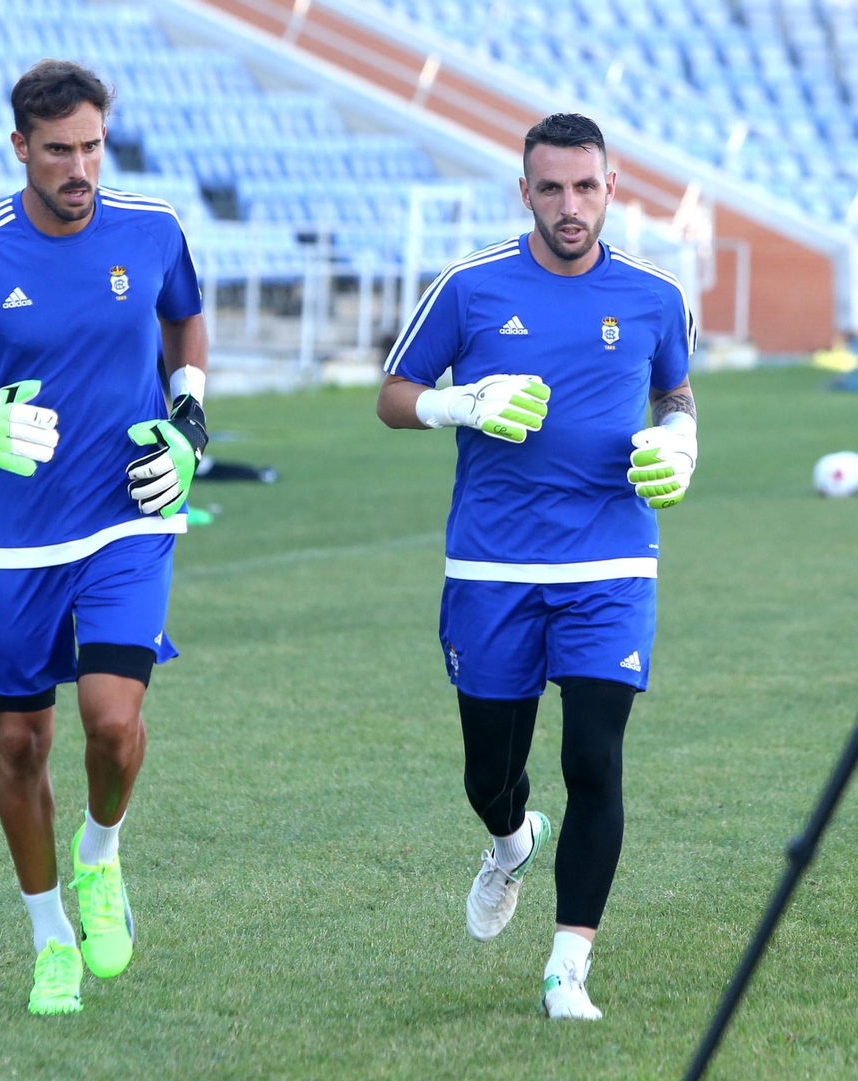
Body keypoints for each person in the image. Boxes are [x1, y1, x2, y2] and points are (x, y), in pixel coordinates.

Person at [0, 59, 208, 1016]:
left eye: (92, 147)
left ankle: (101, 858)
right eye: (58, 151)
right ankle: (49, 934)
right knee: (21, 743)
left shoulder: (153, 228)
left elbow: (184, 319)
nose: (79, 169)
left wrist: (188, 416)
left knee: (113, 721)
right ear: (20, 147)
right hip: (11, 538)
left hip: (130, 513)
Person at [374, 113, 698, 1021]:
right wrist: (462, 401)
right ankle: (512, 841)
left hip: (613, 559)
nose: (569, 205)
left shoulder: (655, 295)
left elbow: (675, 387)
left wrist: (682, 438)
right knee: (490, 776)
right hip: (491, 568)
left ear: (609, 188)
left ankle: (566, 969)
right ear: (525, 191)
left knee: (595, 755)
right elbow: (392, 397)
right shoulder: (470, 287)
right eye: (550, 188)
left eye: (585, 187)